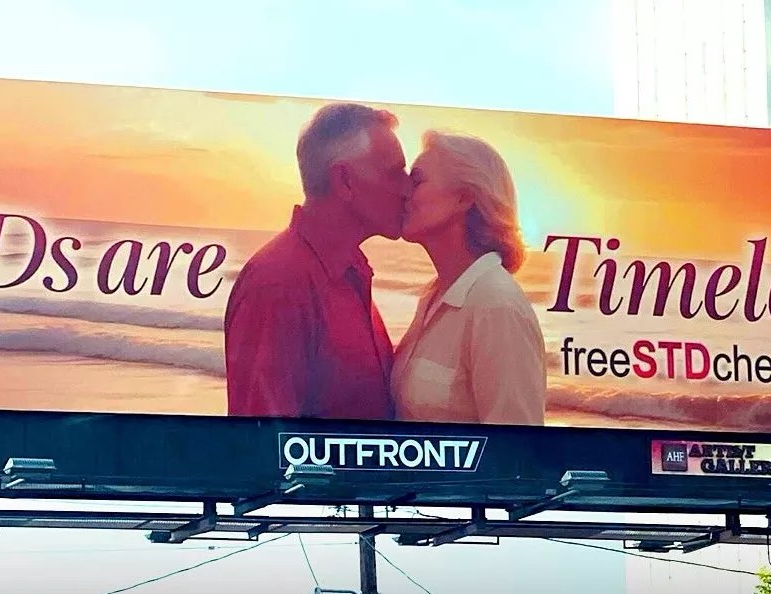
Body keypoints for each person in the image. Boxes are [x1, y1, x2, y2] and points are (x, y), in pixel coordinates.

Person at [224, 103, 411, 420]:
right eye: (395, 174)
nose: (407, 189)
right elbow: (261, 441)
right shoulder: (278, 286)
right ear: (344, 181)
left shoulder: (351, 268)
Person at [390, 130, 547, 425]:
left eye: (417, 181)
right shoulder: (435, 295)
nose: (403, 193)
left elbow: (516, 446)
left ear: (464, 198)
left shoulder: (497, 307)